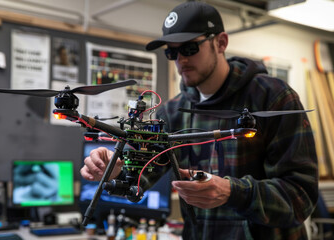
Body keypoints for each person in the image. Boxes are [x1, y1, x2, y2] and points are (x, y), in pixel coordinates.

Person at [80, 2, 318, 239]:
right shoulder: (172, 113)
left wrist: (233, 192)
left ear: (221, 43)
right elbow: (140, 176)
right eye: (171, 52)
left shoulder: (273, 97)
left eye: (190, 48)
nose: (180, 60)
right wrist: (114, 169)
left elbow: (300, 198)